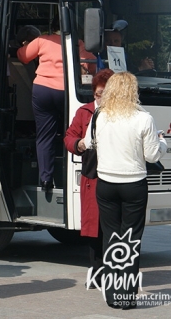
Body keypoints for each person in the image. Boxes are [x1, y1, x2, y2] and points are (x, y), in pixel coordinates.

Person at [83, 71, 166, 309]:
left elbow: (89, 144)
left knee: (110, 237)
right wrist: (162, 142)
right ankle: (126, 297)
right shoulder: (143, 118)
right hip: (133, 184)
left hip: (106, 183)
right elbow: (151, 154)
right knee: (131, 240)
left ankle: (111, 295)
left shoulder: (100, 114)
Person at [17, 22, 94, 190]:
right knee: (72, 131)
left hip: (42, 90)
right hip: (65, 91)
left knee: (44, 135)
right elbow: (89, 64)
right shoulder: (77, 43)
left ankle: (46, 179)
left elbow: (22, 56)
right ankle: (70, 172)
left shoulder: (42, 40)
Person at [63, 68, 114, 286]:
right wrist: (78, 144)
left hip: (113, 175)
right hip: (92, 176)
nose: (99, 97)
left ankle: (112, 271)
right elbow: (69, 136)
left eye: (104, 93)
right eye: (97, 93)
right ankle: (95, 272)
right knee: (94, 228)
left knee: (111, 227)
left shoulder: (119, 114)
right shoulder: (84, 112)